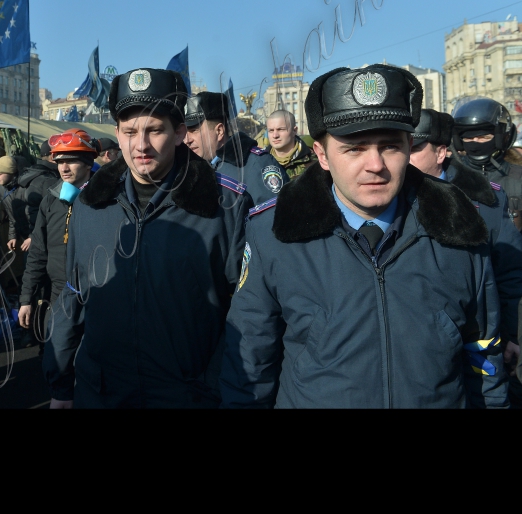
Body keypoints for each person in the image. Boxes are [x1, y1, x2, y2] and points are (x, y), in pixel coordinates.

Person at [221, 65, 507, 408]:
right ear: (323, 155)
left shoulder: (458, 228)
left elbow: (484, 361)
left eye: (389, 146)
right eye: (354, 148)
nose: (375, 164)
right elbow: (250, 366)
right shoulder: (275, 235)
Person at [43, 68, 252, 409]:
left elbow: (248, 312)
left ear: (180, 133)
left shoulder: (224, 206)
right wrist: (60, 380)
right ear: (117, 133)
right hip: (102, 393)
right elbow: (74, 295)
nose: (140, 145)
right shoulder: (88, 204)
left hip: (187, 397)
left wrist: (215, 386)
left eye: (155, 130)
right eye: (130, 132)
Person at [410, 108, 522, 404]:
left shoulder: (486, 200)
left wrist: (512, 335)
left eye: (415, 149)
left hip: (480, 344)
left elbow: (510, 274)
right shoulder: (387, 199)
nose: (404, 158)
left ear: (441, 152)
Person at [18, 129, 96, 338]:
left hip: (97, 298)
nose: (64, 168)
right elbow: (37, 253)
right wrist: (27, 299)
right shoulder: (51, 200)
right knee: (55, 361)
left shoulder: (108, 200)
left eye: (71, 161)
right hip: (58, 295)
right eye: (60, 161)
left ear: (88, 163)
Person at [184, 91, 288, 205]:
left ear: (219, 131)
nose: (187, 140)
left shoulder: (257, 165)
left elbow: (273, 217)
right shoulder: (189, 172)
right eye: (184, 132)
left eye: (194, 130)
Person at [452, 97, 522, 231]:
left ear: (502, 138)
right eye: (468, 138)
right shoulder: (450, 175)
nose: (475, 142)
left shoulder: (518, 177)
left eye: (484, 137)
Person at [0, 156, 31, 252]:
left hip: (37, 237)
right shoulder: (2, 190)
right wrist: (12, 236)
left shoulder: (27, 187)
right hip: (25, 238)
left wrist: (33, 237)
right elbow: (11, 216)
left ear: (10, 172)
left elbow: (40, 216)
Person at [265, 109, 316, 179]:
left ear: (294, 131)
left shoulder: (315, 163)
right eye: (271, 130)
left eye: (281, 129)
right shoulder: (261, 163)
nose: (275, 135)